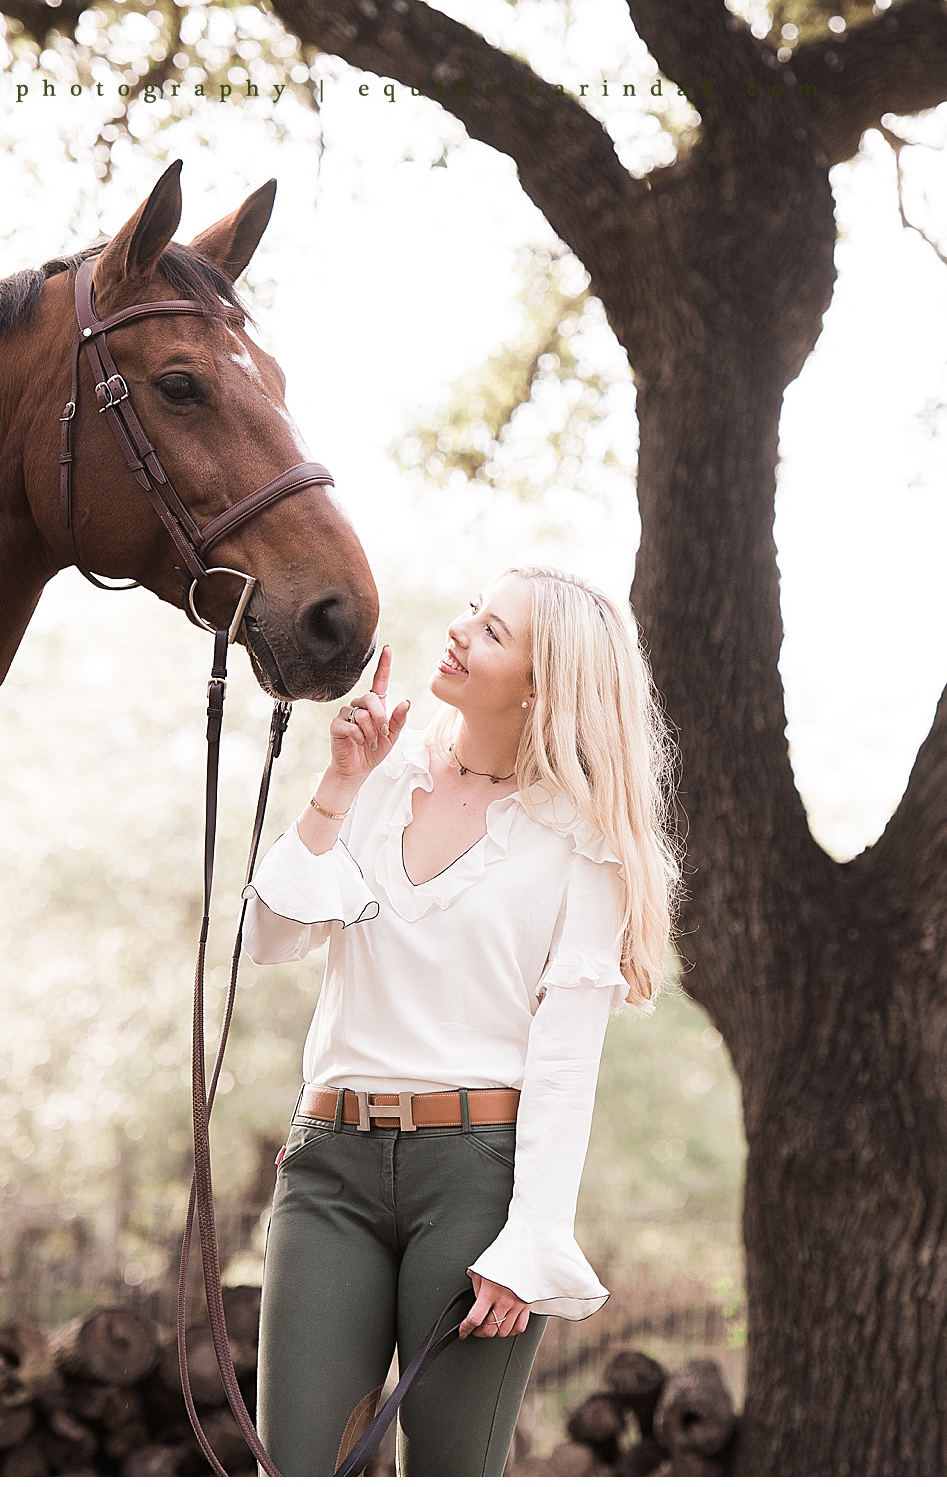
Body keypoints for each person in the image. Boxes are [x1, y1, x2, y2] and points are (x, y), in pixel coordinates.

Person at [239, 564, 679, 1476]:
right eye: (470, 614)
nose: (456, 631)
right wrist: (335, 786)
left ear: (540, 684)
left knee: (450, 1469)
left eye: (490, 632)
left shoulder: (580, 840)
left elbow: (565, 1060)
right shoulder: (382, 774)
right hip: (329, 1163)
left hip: (477, 1182)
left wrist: (533, 1237)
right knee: (297, 1469)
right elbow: (270, 939)